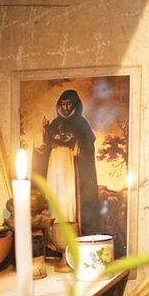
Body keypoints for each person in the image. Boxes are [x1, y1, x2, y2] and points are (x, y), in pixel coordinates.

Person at [33, 89, 101, 235]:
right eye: (63, 104)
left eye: (69, 104)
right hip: (54, 164)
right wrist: (45, 132)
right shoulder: (54, 123)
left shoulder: (82, 123)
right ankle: (54, 237)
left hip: (71, 165)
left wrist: (76, 141)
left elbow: (88, 143)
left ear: (75, 105)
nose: (66, 107)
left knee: (69, 198)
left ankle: (71, 233)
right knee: (54, 195)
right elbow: (42, 147)